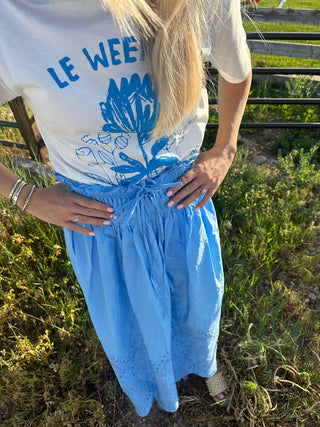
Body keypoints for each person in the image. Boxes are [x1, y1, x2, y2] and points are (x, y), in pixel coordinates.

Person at [0, 0, 251, 417]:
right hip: (101, 220)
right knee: (126, 320)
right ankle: (152, 386)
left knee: (198, 298)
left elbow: (237, 68)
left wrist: (225, 147)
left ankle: (204, 363)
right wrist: (25, 195)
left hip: (182, 199)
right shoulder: (14, 16)